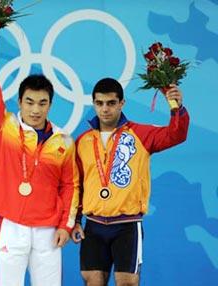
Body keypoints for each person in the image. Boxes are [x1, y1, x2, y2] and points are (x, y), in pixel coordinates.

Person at [0, 27, 79, 286]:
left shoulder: (64, 142)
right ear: (19, 102)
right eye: (30, 102)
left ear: (50, 104)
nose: (36, 109)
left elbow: (70, 186)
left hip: (48, 229)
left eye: (42, 103)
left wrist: (65, 226)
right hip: (13, 226)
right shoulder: (4, 125)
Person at [71, 78, 190, 286]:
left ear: (122, 103)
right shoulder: (83, 141)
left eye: (111, 103)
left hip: (126, 225)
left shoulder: (141, 134)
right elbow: (77, 185)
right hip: (94, 225)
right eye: (99, 103)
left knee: (127, 282)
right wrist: (75, 220)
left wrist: (176, 107)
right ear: (94, 104)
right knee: (92, 282)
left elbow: (176, 134)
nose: (105, 109)